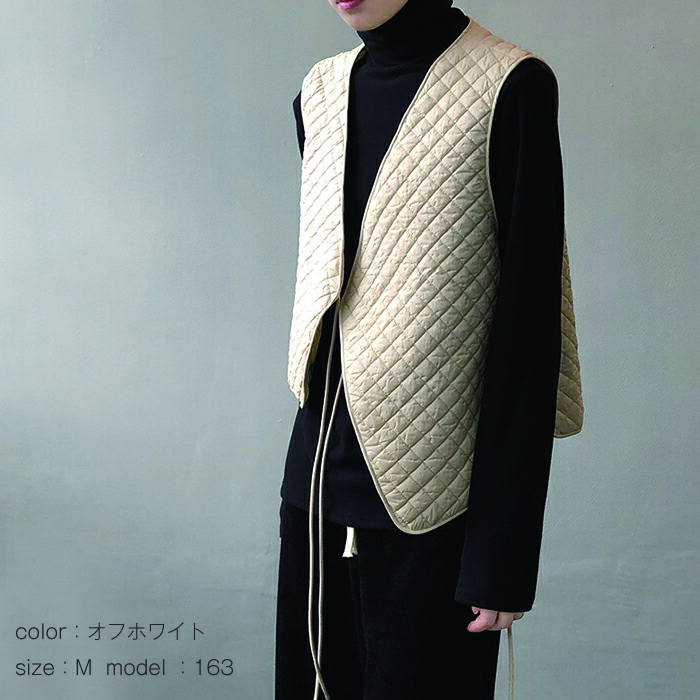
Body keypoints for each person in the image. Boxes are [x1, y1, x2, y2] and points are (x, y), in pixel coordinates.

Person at [275, 1, 583, 698]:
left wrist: (502, 558)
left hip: (438, 508)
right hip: (314, 495)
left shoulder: (511, 85)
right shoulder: (320, 91)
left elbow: (527, 332)